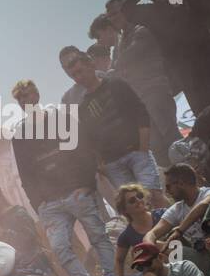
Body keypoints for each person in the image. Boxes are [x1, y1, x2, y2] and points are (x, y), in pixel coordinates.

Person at [10, 76, 115, 276]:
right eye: (19, 98)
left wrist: (87, 185)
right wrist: (38, 204)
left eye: (27, 95)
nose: (24, 100)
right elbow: (25, 174)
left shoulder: (62, 118)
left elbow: (85, 151)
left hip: (78, 193)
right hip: (51, 204)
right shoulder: (19, 134)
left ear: (37, 95)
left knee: (99, 236)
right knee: (60, 249)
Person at [121, 0, 210, 117]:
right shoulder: (150, 13)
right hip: (184, 69)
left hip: (208, 57)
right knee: (204, 111)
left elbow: (178, 0)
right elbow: (127, 10)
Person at [59, 45, 160, 194]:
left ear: (90, 64)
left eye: (80, 71)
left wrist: (143, 148)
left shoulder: (114, 82)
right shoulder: (77, 104)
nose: (78, 77)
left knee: (153, 195)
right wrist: (101, 164)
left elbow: (140, 112)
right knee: (132, 205)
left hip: (136, 151)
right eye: (73, 74)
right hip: (113, 163)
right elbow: (88, 138)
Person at [91, 10, 179, 165]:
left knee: (171, 137)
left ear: (107, 29)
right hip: (141, 99)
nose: (99, 41)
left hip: (154, 91)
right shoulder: (119, 46)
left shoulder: (136, 32)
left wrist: (109, 74)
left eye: (99, 36)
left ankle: (194, 172)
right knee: (156, 144)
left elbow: (127, 61)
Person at [146, 164, 210, 276]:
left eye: (168, 186)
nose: (167, 192)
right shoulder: (177, 209)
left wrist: (180, 230)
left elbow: (205, 205)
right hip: (200, 256)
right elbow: (152, 234)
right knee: (157, 246)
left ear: (180, 183)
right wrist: (150, 249)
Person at [112, 183, 164, 276]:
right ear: (125, 210)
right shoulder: (126, 235)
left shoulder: (162, 215)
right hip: (153, 273)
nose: (138, 200)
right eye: (132, 200)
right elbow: (119, 260)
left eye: (140, 196)